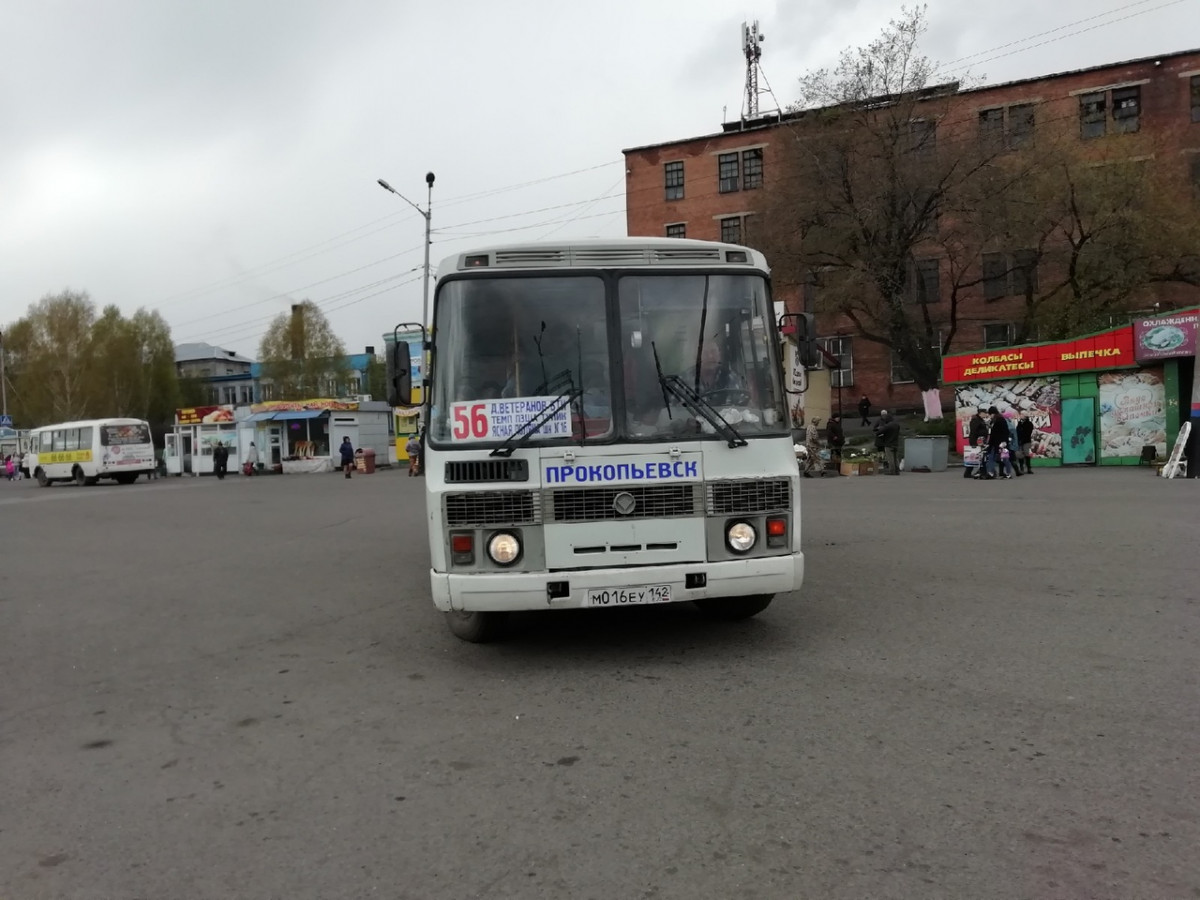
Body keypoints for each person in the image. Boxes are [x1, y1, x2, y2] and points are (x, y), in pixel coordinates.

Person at [985, 407, 1008, 479]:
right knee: (994, 457)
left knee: (993, 457)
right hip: (995, 442)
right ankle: (995, 472)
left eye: (990, 414)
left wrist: (1004, 441)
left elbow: (1004, 431)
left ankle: (991, 473)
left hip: (998, 442)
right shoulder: (995, 420)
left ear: (992, 413)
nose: (989, 416)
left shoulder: (999, 420)